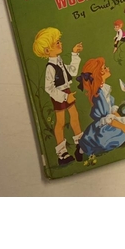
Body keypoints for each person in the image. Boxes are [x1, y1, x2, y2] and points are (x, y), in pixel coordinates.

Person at [33, 27, 84, 165]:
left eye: (59, 41)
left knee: (74, 115)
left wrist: (74, 54)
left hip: (67, 91)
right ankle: (62, 153)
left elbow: (72, 72)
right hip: (59, 95)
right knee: (61, 121)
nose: (60, 43)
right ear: (47, 50)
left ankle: (80, 143)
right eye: (56, 43)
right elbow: (48, 88)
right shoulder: (50, 67)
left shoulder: (60, 62)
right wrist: (65, 97)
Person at [77, 57, 125, 155]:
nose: (108, 68)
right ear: (99, 74)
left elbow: (112, 111)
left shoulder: (104, 90)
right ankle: (89, 146)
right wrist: (123, 126)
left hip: (110, 122)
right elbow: (107, 119)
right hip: (102, 128)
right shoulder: (98, 95)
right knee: (121, 130)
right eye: (105, 68)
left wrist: (122, 120)